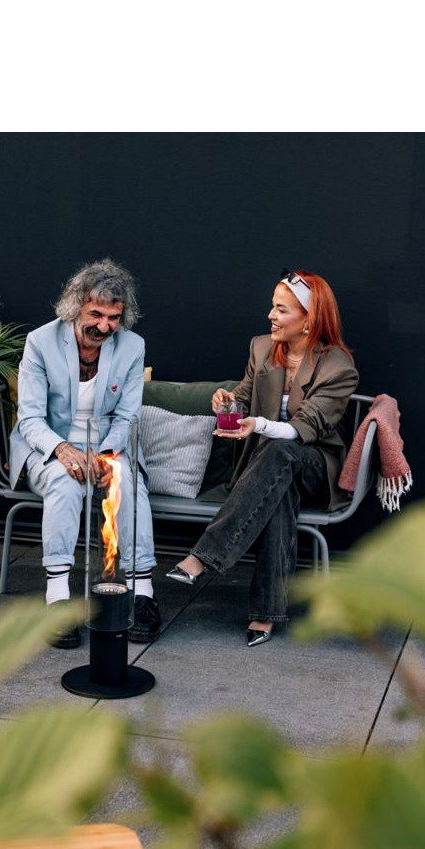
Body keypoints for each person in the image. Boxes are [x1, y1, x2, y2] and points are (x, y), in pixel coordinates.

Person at [166, 269, 358, 645]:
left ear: (309, 320)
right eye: (272, 306)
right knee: (279, 492)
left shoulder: (339, 367)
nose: (271, 315)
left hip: (315, 466)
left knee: (282, 449)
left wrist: (258, 425)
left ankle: (203, 556)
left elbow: (305, 427)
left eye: (282, 309)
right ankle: (266, 614)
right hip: (270, 471)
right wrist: (228, 401)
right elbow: (243, 393)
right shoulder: (262, 348)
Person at [9, 259, 160, 648]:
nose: (105, 326)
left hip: (109, 443)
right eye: (96, 314)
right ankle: (58, 598)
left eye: (114, 317)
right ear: (76, 307)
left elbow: (127, 417)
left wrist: (106, 453)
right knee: (64, 483)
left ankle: (142, 594)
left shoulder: (132, 346)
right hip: (49, 446)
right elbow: (30, 419)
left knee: (127, 483)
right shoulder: (41, 342)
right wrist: (63, 450)